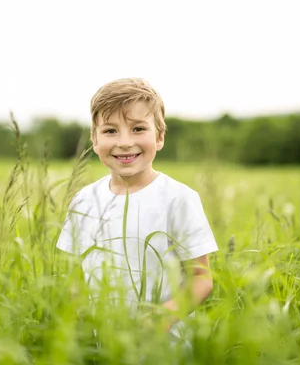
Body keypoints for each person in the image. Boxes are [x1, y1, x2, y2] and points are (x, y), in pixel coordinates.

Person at [56, 77, 218, 337]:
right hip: (105, 345)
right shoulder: (83, 200)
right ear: (95, 141)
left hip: (166, 347)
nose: (124, 141)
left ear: (160, 137)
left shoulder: (178, 198)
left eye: (138, 129)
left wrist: (160, 319)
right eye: (110, 131)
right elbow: (75, 275)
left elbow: (201, 278)